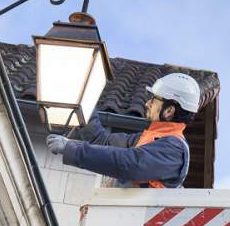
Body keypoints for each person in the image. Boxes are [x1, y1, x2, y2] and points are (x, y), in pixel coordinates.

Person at [46, 72, 200, 189]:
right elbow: (103, 141)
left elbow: (129, 163)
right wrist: (83, 104)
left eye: (153, 99)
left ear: (169, 111)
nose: (147, 104)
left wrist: (72, 149)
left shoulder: (173, 149)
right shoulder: (147, 139)